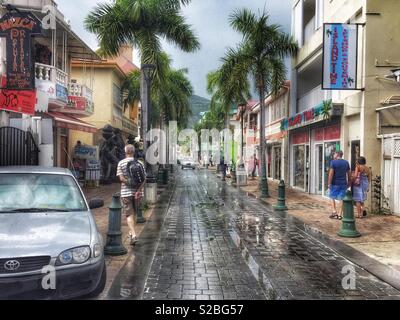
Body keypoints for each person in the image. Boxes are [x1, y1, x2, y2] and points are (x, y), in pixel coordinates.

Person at [116, 144, 145, 245]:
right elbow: (144, 178)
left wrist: (129, 183)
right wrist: (138, 190)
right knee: (135, 213)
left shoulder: (121, 163)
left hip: (126, 192)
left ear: (125, 152)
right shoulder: (140, 163)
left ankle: (133, 235)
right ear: (133, 152)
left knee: (129, 214)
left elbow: (121, 179)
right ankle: (131, 232)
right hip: (138, 193)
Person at [328, 150, 351, 220]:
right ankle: (340, 215)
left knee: (332, 197)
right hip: (343, 183)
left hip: (335, 183)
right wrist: (349, 182)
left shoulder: (333, 162)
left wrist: (329, 183)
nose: (333, 155)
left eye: (334, 154)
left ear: (337, 154)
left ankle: (334, 211)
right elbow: (349, 173)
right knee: (341, 199)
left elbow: (331, 174)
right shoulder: (346, 163)